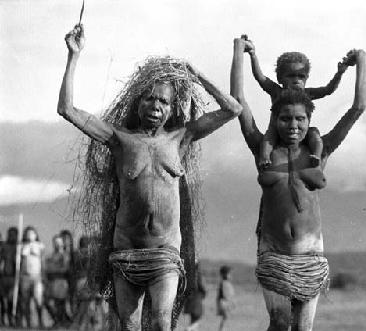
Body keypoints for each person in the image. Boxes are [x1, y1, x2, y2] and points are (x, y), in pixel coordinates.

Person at [58, 24, 242, 331]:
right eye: (149, 99)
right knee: (128, 326)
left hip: (165, 254)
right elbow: (66, 109)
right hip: (126, 252)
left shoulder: (181, 139)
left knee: (160, 323)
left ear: (171, 110)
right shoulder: (119, 139)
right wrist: (73, 56)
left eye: (163, 102)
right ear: (137, 103)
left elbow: (233, 108)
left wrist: (196, 76)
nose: (155, 106)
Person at [231, 36, 366, 330]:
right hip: (273, 252)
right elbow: (238, 102)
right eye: (285, 119)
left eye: (300, 119)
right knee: (279, 323)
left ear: (309, 121)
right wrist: (238, 52)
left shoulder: (322, 149)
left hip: (310, 257)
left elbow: (357, 108)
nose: (293, 125)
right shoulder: (263, 149)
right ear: (275, 119)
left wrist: (361, 62)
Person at [242, 35, 353, 169]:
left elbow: (328, 90)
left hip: (301, 132)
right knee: (268, 138)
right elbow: (260, 77)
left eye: (301, 76)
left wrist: (340, 72)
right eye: (291, 76)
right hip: (278, 130)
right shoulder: (277, 91)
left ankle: (316, 156)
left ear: (306, 78)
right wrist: (252, 54)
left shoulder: (307, 93)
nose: (296, 80)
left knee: (315, 135)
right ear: (280, 78)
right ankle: (265, 159)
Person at [19, 226, 45, 328]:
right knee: (25, 301)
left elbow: (42, 261)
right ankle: (28, 322)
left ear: (35, 235)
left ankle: (40, 321)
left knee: (38, 300)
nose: (30, 235)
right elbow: (19, 261)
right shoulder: (21, 246)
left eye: (32, 233)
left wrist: (43, 275)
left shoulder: (40, 246)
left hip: (36, 277)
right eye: (28, 233)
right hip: (25, 277)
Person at [45, 234, 71, 327]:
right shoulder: (51, 256)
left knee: (60, 303)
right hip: (52, 281)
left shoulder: (65, 255)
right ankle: (57, 320)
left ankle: (61, 322)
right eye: (55, 242)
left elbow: (65, 269)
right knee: (49, 302)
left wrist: (54, 269)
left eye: (59, 242)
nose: (57, 244)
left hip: (61, 281)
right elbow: (47, 268)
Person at [0, 227, 18, 327]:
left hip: (13, 277)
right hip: (3, 277)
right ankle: (2, 319)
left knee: (12, 300)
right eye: (9, 234)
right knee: (2, 299)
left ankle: (12, 319)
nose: (11, 236)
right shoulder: (4, 246)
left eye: (13, 234)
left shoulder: (18, 247)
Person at [183, 262, 206, 331]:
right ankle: (188, 329)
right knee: (197, 320)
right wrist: (204, 292)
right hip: (197, 299)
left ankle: (190, 328)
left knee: (193, 320)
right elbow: (201, 286)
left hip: (189, 300)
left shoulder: (187, 275)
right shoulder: (198, 275)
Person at [216, 265, 235, 331]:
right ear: (225, 274)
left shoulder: (225, 283)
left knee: (225, 319)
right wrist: (230, 303)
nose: (231, 275)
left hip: (224, 303)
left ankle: (222, 329)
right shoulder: (224, 283)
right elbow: (226, 295)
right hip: (224, 304)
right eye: (229, 274)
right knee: (225, 318)